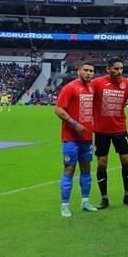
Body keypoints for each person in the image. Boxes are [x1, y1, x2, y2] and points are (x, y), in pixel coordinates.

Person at [54, 62, 99, 218]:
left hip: (87, 137)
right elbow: (58, 109)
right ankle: (65, 205)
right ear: (78, 71)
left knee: (86, 169)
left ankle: (85, 201)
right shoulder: (70, 87)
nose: (88, 73)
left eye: (91, 71)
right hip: (71, 137)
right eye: (85, 70)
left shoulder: (92, 88)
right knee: (69, 169)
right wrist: (74, 123)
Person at [90, 58, 128, 209]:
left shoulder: (127, 84)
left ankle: (127, 194)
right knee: (102, 163)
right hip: (101, 131)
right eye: (116, 69)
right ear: (108, 69)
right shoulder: (97, 83)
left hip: (120, 130)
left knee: (126, 160)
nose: (119, 72)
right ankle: (104, 198)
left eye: (121, 69)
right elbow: (84, 92)